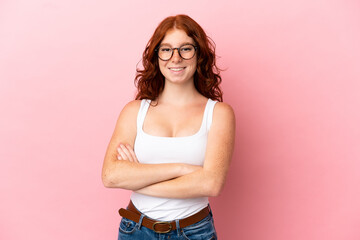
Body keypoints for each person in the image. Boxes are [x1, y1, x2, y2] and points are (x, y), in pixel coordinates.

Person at [102, 14, 235, 240]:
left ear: (199, 54)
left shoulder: (219, 114)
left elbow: (212, 183)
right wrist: (182, 169)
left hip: (194, 232)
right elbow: (111, 176)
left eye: (185, 49)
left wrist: (139, 179)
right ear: (156, 56)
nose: (175, 58)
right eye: (166, 49)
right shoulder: (134, 111)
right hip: (136, 230)